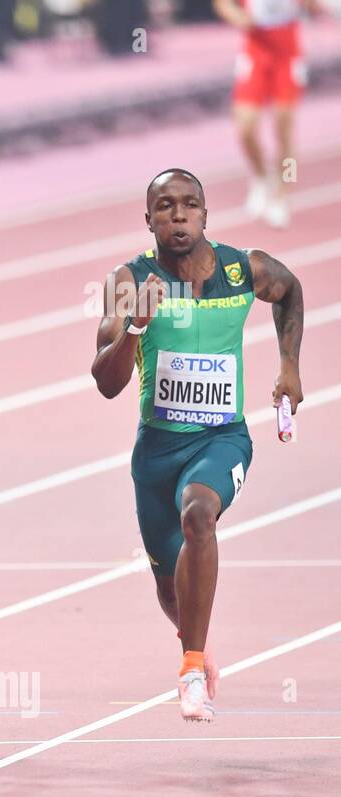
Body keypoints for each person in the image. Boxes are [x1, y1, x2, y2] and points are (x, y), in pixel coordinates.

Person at [92, 168, 305, 721]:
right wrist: (135, 327)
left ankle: (190, 671)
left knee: (199, 517)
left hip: (221, 439)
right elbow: (106, 382)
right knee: (171, 593)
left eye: (190, 205)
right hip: (156, 452)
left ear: (206, 215)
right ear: (149, 220)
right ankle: (197, 646)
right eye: (165, 206)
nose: (178, 215)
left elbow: (290, 291)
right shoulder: (128, 281)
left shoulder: (242, 270)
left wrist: (288, 366)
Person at [213, 0, 321, 228]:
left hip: (287, 54)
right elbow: (223, 5)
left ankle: (281, 195)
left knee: (283, 127)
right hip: (255, 53)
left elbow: (314, 9)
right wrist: (238, 17)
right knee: (245, 127)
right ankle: (261, 177)